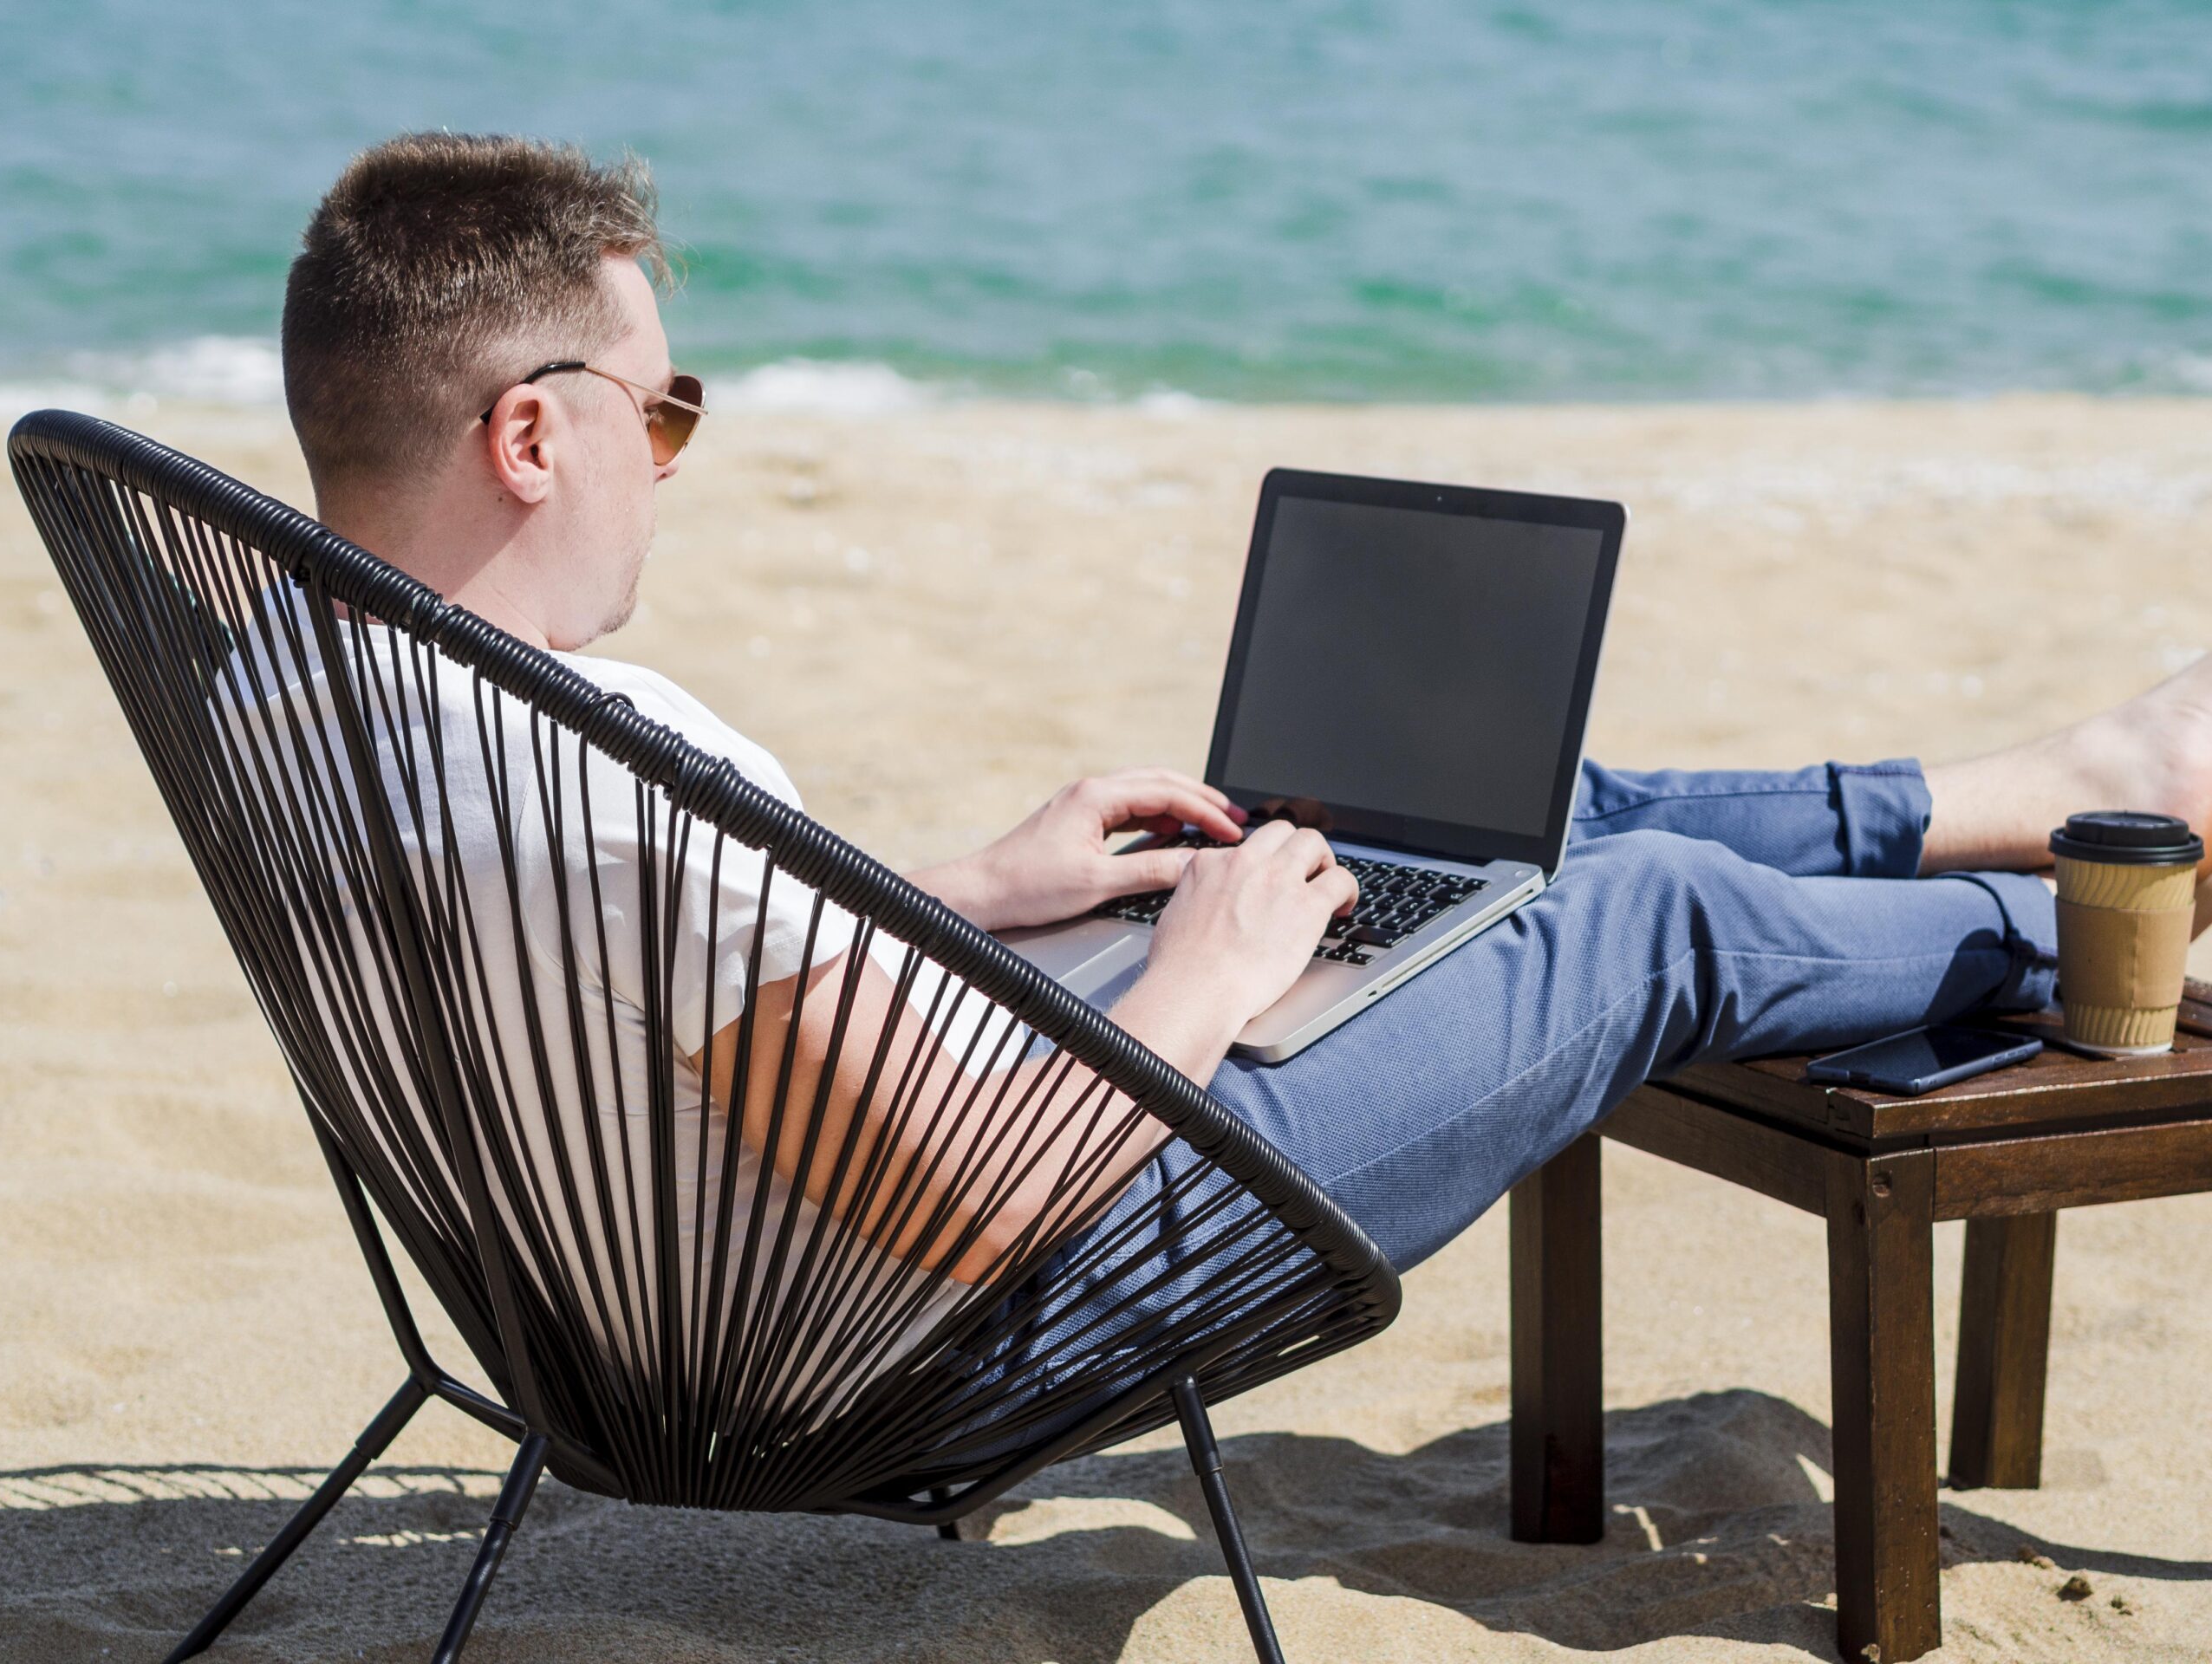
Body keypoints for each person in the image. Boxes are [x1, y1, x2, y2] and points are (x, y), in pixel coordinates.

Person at [277, 133, 2212, 1363]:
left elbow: (688, 992)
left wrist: (978, 892)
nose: (670, 464)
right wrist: (1195, 982)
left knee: (1464, 823)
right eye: (661, 413)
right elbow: (976, 1204)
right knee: (1637, 916)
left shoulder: (314, 681)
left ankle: (2029, 798)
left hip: (697, 1298)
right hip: (1023, 1276)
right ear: (532, 439)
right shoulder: (602, 786)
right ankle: (2130, 921)